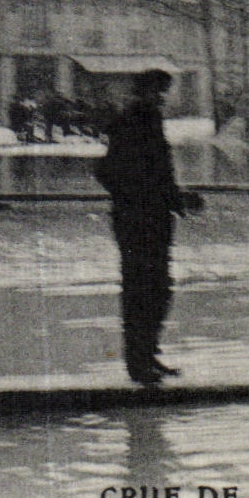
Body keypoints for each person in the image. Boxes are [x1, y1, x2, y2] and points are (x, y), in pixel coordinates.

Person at [94, 68, 188, 386]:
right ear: (143, 93)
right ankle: (138, 361)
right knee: (142, 289)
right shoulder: (134, 121)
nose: (161, 99)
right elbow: (111, 170)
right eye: (157, 93)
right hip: (139, 219)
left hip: (151, 217)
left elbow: (157, 171)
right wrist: (145, 198)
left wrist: (175, 198)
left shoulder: (145, 120)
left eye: (163, 94)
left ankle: (147, 355)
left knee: (157, 287)